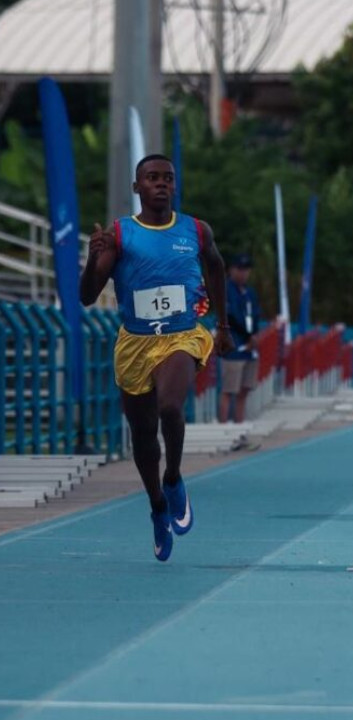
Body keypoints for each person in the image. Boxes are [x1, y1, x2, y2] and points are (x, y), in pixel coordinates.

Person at [79, 153, 232, 561]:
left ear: (174, 185)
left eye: (167, 178)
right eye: (152, 178)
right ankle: (157, 506)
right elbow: (87, 296)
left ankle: (174, 479)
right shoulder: (120, 234)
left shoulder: (196, 230)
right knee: (144, 435)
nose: (161, 184)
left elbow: (216, 269)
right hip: (136, 342)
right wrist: (93, 259)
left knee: (169, 407)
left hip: (182, 335)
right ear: (137, 187)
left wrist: (223, 325)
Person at [219, 253, 262, 425]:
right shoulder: (226, 290)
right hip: (234, 347)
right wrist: (249, 336)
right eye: (240, 269)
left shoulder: (250, 292)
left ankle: (239, 425)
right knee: (229, 389)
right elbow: (231, 316)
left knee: (244, 389)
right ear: (232, 270)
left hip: (250, 348)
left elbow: (256, 314)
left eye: (247, 269)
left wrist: (255, 335)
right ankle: (222, 427)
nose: (244, 273)